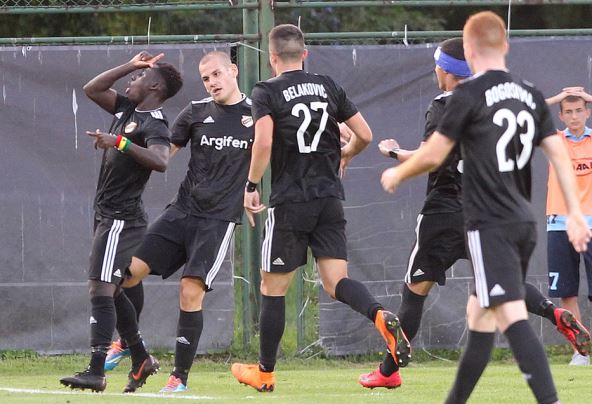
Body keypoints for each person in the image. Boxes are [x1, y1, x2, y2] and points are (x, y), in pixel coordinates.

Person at [380, 11, 591, 404]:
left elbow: (433, 155)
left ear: (470, 51)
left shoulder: (467, 95)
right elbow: (559, 154)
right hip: (523, 221)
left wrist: (397, 172)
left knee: (511, 316)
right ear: (505, 46)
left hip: (488, 223)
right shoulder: (529, 92)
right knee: (479, 322)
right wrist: (576, 214)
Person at [230, 23, 411, 393]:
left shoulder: (266, 90)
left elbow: (263, 142)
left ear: (272, 57)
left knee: (272, 287)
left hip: (290, 201)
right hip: (329, 199)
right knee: (336, 282)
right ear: (305, 54)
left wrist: (251, 185)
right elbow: (365, 135)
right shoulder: (328, 85)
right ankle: (380, 315)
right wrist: (346, 153)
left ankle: (264, 373)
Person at [120, 51, 254, 393]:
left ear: (233, 70)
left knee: (190, 291)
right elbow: (162, 154)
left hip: (217, 220)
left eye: (217, 74)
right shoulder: (196, 112)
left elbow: (279, 148)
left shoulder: (257, 115)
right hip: (181, 211)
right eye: (206, 78)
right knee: (126, 273)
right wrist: (127, 155)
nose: (212, 83)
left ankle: (178, 377)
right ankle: (131, 346)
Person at [59, 51, 183, 392]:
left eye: (140, 77)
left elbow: (161, 160)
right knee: (111, 290)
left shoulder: (154, 122)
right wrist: (132, 64)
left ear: (155, 87)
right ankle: (141, 358)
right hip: (106, 213)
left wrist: (120, 141)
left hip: (121, 218)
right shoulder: (128, 109)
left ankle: (96, 370)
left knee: (100, 286)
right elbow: (92, 89)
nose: (132, 80)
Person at [545, 87, 592, 366]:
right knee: (567, 291)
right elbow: (524, 111)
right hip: (559, 224)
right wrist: (555, 99)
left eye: (579, 110)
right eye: (568, 112)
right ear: (561, 116)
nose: (574, 116)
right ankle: (581, 351)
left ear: (587, 112)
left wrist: (589, 97)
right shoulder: (554, 140)